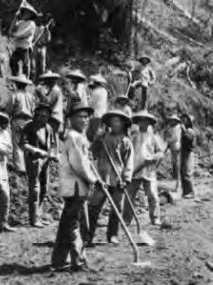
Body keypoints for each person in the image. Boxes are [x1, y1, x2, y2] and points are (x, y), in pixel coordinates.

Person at [51, 102, 98, 271]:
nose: (85, 120)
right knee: (75, 225)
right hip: (75, 186)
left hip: (75, 186)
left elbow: (85, 161)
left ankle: (58, 260)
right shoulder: (74, 137)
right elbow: (79, 164)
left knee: (67, 223)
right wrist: (94, 179)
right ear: (71, 119)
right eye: (81, 117)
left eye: (87, 117)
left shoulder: (79, 136)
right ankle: (78, 261)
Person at [88, 110, 134, 244]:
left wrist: (126, 178)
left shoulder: (126, 142)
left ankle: (113, 234)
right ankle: (88, 234)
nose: (114, 124)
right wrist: (97, 139)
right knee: (94, 207)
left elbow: (129, 162)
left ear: (123, 124)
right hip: (102, 178)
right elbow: (92, 153)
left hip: (118, 179)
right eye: (112, 121)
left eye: (117, 121)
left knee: (116, 208)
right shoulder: (102, 138)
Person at [123, 110, 164, 226]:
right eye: (141, 121)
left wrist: (152, 158)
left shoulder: (154, 138)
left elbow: (161, 153)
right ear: (138, 122)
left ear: (149, 123)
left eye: (146, 121)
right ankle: (126, 219)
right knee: (129, 196)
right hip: (134, 170)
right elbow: (125, 152)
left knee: (153, 195)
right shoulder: (133, 137)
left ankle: (155, 218)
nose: (143, 123)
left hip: (149, 171)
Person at [21, 103, 57, 228]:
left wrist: (52, 154)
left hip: (46, 160)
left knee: (44, 188)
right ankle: (33, 218)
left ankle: (40, 215)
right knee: (35, 189)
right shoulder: (29, 126)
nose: (43, 117)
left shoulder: (48, 128)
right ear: (36, 115)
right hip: (34, 160)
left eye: (46, 115)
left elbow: (52, 144)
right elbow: (24, 144)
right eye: (41, 114)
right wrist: (36, 151)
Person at [6, 75, 35, 174]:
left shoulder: (14, 95)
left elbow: (9, 110)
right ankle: (29, 166)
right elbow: (33, 110)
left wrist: (6, 117)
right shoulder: (31, 97)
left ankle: (20, 168)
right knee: (27, 144)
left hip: (18, 120)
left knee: (17, 144)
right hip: (29, 121)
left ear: (17, 85)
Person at [9, 3, 39, 78]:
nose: (25, 14)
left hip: (25, 47)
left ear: (30, 15)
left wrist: (16, 35)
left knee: (25, 64)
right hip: (18, 46)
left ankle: (26, 79)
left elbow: (26, 32)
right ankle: (15, 76)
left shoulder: (32, 23)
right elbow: (12, 29)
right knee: (12, 61)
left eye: (27, 13)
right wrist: (15, 18)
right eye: (24, 12)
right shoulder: (20, 23)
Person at [36, 71, 63, 150]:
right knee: (54, 135)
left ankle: (54, 153)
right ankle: (55, 152)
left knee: (52, 135)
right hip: (56, 115)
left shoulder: (55, 90)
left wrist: (40, 94)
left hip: (54, 115)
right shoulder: (53, 90)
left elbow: (48, 102)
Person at [86, 74, 109, 142]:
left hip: (96, 115)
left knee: (93, 134)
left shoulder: (96, 91)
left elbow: (90, 104)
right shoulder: (105, 91)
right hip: (104, 115)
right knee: (100, 133)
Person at [31, 15, 52, 82]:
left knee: (43, 65)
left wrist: (47, 31)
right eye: (38, 18)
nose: (39, 20)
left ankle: (42, 80)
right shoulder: (33, 28)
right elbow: (31, 38)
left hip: (43, 47)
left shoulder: (44, 28)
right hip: (35, 46)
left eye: (40, 19)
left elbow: (48, 39)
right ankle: (32, 78)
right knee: (33, 63)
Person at [180, 114, 196, 199]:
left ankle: (190, 192)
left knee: (187, 172)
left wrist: (183, 130)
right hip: (183, 152)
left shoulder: (190, 131)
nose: (183, 120)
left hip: (189, 153)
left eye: (185, 119)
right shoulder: (185, 130)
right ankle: (185, 191)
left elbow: (188, 139)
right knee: (183, 172)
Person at [165, 115, 182, 190]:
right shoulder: (173, 128)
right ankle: (175, 182)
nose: (171, 122)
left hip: (176, 146)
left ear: (175, 121)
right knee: (174, 164)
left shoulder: (177, 128)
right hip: (174, 147)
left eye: (172, 120)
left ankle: (176, 183)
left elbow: (175, 138)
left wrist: (168, 140)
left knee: (176, 165)